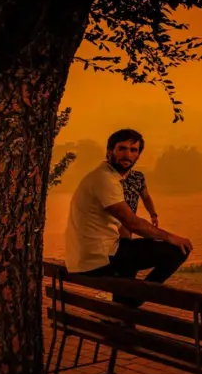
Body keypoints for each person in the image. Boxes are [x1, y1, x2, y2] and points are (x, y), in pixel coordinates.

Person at [64, 128, 194, 304]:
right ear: (110, 151)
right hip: (97, 259)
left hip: (87, 257)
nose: (127, 154)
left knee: (128, 247)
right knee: (178, 250)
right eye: (122, 148)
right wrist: (172, 238)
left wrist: (151, 217)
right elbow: (133, 223)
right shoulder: (105, 179)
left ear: (138, 155)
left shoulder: (107, 177)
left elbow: (128, 217)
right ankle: (134, 300)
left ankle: (124, 305)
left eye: (133, 150)